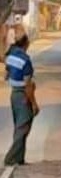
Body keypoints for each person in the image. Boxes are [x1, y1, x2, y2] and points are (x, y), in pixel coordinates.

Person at [4, 34, 39, 166]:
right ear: (26, 44)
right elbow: (28, 86)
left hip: (14, 94)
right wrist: (34, 104)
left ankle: (19, 159)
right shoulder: (25, 60)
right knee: (23, 128)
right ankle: (10, 159)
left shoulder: (11, 56)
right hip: (23, 95)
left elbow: (6, 76)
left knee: (19, 127)